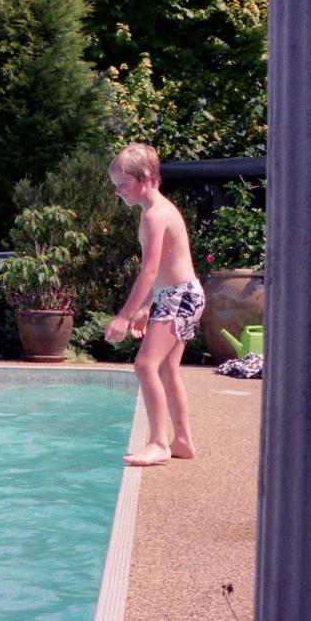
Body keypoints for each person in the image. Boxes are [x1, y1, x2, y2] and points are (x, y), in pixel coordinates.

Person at [103, 143, 205, 467]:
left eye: (123, 184)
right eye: (115, 186)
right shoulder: (158, 210)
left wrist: (124, 316)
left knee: (145, 366)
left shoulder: (154, 215)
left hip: (179, 297)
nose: (118, 192)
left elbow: (148, 272)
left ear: (145, 177)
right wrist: (148, 306)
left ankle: (159, 443)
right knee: (165, 369)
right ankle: (183, 441)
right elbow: (162, 269)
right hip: (181, 295)